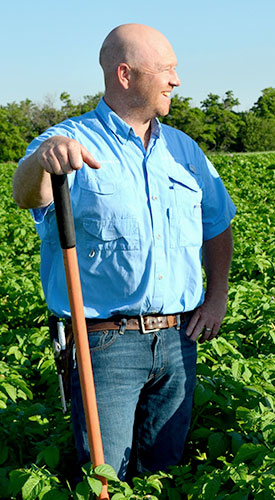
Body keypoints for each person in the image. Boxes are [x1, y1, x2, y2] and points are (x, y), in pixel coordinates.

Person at [12, 23, 236, 480]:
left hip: (178, 340)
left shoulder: (184, 150)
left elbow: (218, 222)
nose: (177, 80)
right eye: (168, 70)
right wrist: (42, 160)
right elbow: (26, 194)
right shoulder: (69, 140)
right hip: (105, 342)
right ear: (125, 74)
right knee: (104, 476)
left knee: (164, 473)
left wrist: (217, 298)